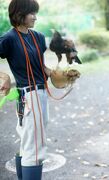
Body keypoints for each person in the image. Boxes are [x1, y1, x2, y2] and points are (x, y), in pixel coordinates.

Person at [0, 0, 80, 179]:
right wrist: (4, 76)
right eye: (31, 13)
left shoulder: (37, 37)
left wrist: (59, 75)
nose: (35, 17)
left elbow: (40, 66)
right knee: (35, 147)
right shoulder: (9, 38)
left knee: (28, 143)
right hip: (27, 95)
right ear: (19, 14)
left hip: (40, 93)